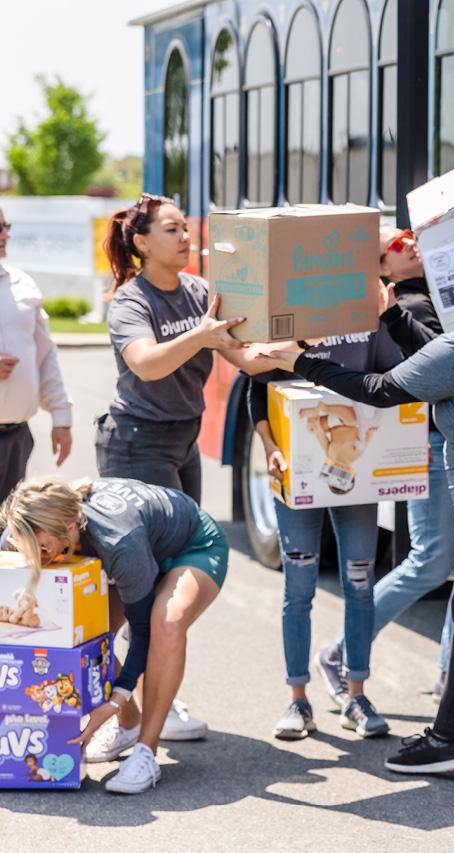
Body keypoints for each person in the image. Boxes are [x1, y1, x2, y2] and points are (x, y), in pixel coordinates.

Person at [250, 225, 454, 801]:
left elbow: (380, 388)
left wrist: (303, 359)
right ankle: (444, 739)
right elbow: (430, 358)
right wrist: (389, 316)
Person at [314, 225, 454, 711]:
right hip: (432, 440)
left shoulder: (431, 292)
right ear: (381, 268)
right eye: (396, 245)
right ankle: (341, 651)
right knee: (433, 560)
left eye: (406, 234)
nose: (409, 242)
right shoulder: (401, 305)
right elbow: (425, 368)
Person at [95, 193, 263, 747]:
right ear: (142, 243)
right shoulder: (129, 301)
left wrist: (303, 348)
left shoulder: (196, 291)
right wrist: (204, 334)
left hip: (182, 445)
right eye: (172, 230)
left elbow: (241, 354)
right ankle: (125, 706)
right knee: (135, 594)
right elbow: (145, 363)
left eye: (186, 228)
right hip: (136, 450)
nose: (186, 237)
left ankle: (134, 699)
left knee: (168, 586)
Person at [0, 476, 228, 794]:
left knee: (166, 621)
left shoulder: (118, 540)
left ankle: (146, 752)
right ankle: (129, 725)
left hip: (192, 544)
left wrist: (115, 699)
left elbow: (143, 632)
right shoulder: (24, 528)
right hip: (139, 551)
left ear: (68, 528)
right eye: (28, 549)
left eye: (42, 548)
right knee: (88, 639)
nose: (36, 558)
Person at [249, 327, 402, 740]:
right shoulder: (287, 314)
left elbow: (396, 380)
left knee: (359, 580)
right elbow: (256, 390)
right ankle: (298, 699)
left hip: (358, 474)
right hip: (295, 470)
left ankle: (356, 695)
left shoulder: (367, 319)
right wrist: (269, 445)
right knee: (299, 586)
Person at [0, 207, 72, 503]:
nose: (6, 235)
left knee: (8, 539)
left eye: (6, 226)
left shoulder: (23, 285)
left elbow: (45, 356)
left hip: (17, 438)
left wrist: (61, 417)